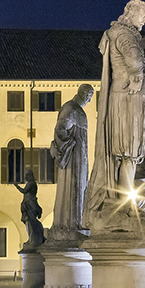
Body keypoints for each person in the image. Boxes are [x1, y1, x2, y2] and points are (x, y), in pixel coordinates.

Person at [83, 0, 145, 222]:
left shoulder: (119, 33)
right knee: (128, 153)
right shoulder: (124, 34)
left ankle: (125, 201)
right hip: (127, 99)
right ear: (132, 13)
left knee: (127, 155)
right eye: (143, 15)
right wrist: (137, 78)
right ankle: (126, 204)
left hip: (123, 98)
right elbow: (134, 59)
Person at [49, 83, 93, 241]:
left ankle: (77, 222)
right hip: (72, 158)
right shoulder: (70, 109)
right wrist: (69, 146)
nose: (89, 100)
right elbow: (60, 130)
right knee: (72, 187)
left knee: (80, 187)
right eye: (88, 96)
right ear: (82, 94)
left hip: (80, 158)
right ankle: (69, 224)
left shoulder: (78, 111)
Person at [14, 170, 45, 247]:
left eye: (27, 175)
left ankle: (33, 239)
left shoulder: (31, 183)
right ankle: (31, 239)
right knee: (28, 221)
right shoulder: (31, 183)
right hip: (28, 204)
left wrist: (16, 186)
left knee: (31, 222)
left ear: (30, 176)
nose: (25, 177)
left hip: (30, 204)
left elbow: (24, 191)